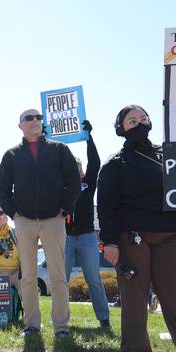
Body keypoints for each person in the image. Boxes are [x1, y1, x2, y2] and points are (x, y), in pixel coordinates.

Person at [97, 104, 176, 352]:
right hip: (132, 237)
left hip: (169, 235)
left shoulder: (169, 156)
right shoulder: (114, 163)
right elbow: (106, 206)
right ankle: (136, 351)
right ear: (121, 129)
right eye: (131, 121)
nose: (139, 123)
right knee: (134, 296)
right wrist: (109, 242)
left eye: (143, 118)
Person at [0, 109, 81, 338]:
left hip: (54, 220)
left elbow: (74, 182)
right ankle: (31, 325)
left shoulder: (59, 149)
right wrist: (14, 214)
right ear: (20, 125)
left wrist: (64, 209)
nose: (35, 121)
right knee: (28, 276)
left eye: (38, 118)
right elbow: (2, 189)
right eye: (29, 118)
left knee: (58, 275)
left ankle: (62, 327)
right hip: (24, 222)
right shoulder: (11, 155)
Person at [64, 121, 110, 328]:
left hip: (87, 236)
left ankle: (104, 320)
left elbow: (95, 162)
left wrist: (88, 137)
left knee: (93, 278)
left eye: (76, 166)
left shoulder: (88, 184)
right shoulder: (59, 186)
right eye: (69, 167)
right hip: (63, 237)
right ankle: (60, 321)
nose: (74, 169)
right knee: (60, 280)